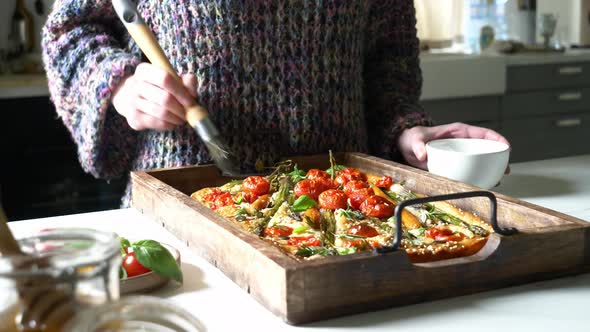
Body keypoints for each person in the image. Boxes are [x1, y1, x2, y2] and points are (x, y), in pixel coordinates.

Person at [42, 0, 508, 206]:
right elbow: (70, 33)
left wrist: (407, 130)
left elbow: (388, 67)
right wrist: (121, 85)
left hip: (342, 215)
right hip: (182, 210)